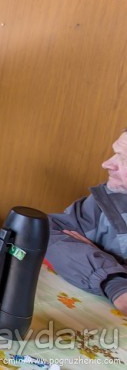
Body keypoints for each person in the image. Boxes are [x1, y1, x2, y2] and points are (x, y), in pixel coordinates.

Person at [45, 129, 127, 314]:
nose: (107, 164)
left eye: (123, 158)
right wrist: (113, 280)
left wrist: (95, 256)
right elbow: (45, 233)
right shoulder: (107, 201)